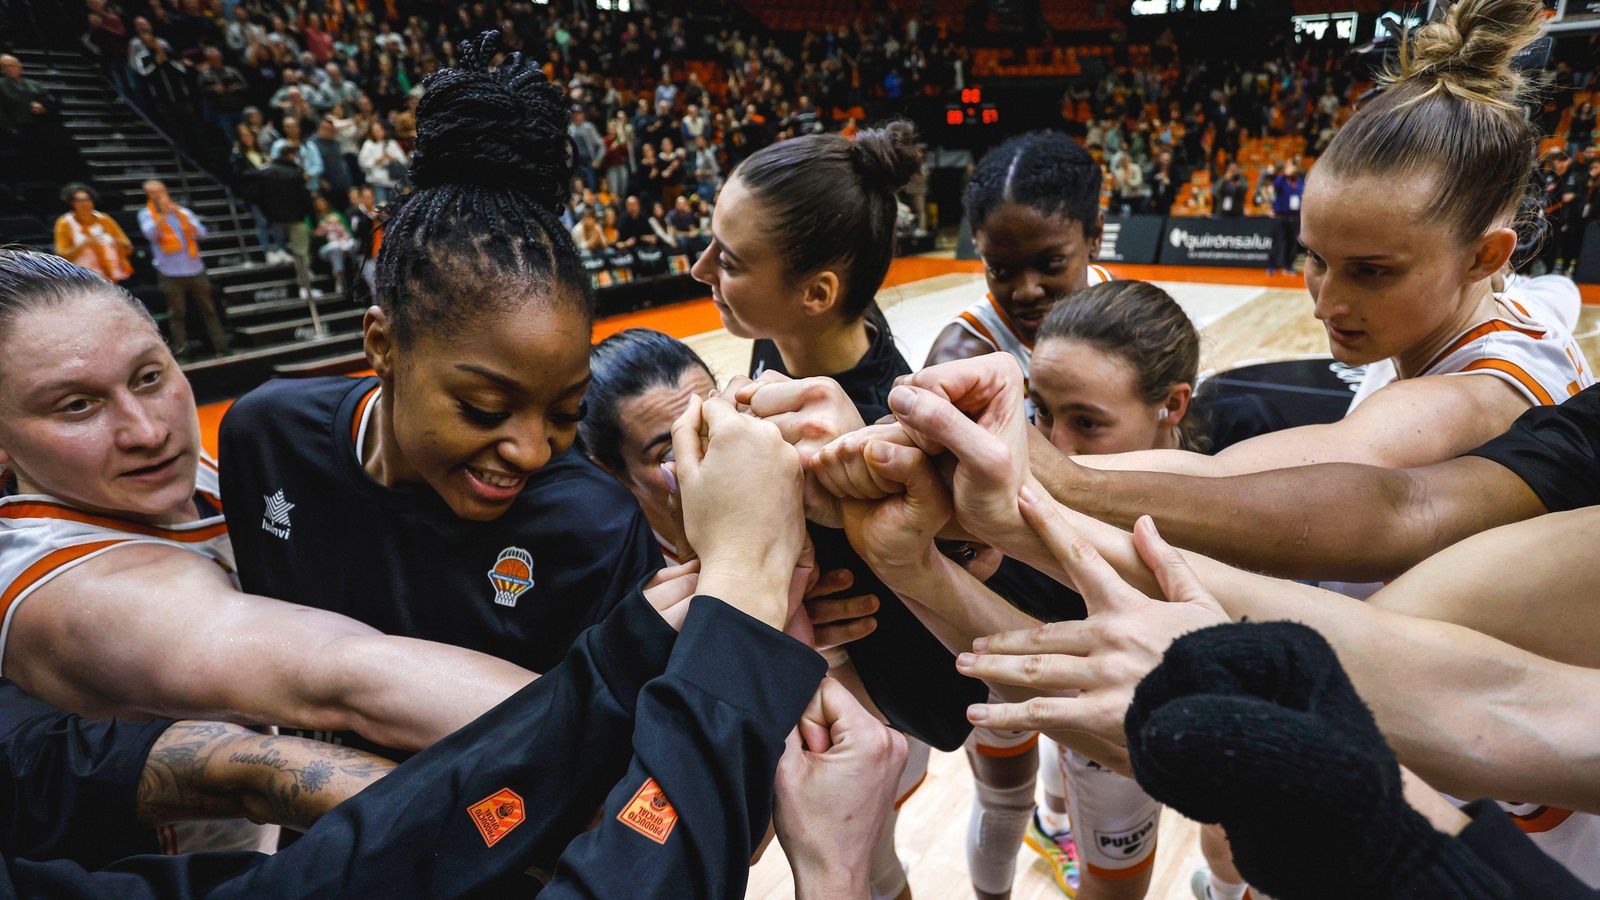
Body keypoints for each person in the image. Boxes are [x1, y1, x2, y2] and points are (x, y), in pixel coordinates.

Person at [217, 35, 665, 755]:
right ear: (383, 346)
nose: (528, 450)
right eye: (484, 409)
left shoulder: (597, 531)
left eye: (564, 413)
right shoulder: (263, 436)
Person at [694, 118, 981, 900]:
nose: (699, 268)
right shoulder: (786, 343)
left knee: (870, 869)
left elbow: (953, 699)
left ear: (817, 293)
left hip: (894, 708)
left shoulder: (896, 439)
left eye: (730, 260)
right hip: (820, 669)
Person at [923, 132, 1111, 376]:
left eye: (1051, 263)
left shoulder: (1107, 294)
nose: (1026, 292)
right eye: (1000, 270)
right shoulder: (958, 364)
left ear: (1094, 237)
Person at [137, 180, 229, 359]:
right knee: (177, 313)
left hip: (195, 268)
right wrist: (162, 214)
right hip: (169, 272)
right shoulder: (146, 214)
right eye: (153, 193)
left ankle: (222, 346)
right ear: (148, 195)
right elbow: (150, 235)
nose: (159, 195)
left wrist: (182, 217)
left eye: (161, 191)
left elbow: (202, 233)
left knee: (209, 310)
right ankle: (181, 350)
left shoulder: (183, 212)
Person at [53, 183, 133, 284]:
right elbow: (61, 256)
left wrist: (118, 245)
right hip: (83, 279)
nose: (84, 204)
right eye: (79, 201)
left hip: (111, 276)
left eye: (87, 199)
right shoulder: (64, 223)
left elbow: (128, 248)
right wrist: (83, 245)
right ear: (71, 203)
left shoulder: (104, 219)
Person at [256, 145, 315, 274]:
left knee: (284, 250)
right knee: (301, 252)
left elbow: (259, 198)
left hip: (274, 220)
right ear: (291, 155)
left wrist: (268, 216)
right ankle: (304, 285)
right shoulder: (295, 173)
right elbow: (305, 198)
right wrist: (312, 219)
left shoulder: (265, 172)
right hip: (295, 219)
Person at [312, 194, 357, 294]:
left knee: (354, 244)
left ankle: (357, 271)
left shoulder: (337, 214)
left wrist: (342, 232)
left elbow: (348, 232)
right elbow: (313, 236)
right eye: (317, 203)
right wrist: (321, 229)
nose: (320, 205)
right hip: (326, 247)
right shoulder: (314, 218)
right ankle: (339, 279)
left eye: (322, 201)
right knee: (336, 248)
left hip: (343, 243)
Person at [358, 120, 408, 203]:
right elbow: (362, 162)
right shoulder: (368, 144)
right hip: (377, 182)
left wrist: (391, 158)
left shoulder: (392, 143)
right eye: (375, 131)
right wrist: (377, 161)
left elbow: (403, 160)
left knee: (397, 207)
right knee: (382, 207)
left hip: (393, 182)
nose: (378, 133)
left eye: (380, 130)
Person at [1267, 160, 1303, 275]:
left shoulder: (1301, 182)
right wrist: (1284, 173)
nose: (1293, 170)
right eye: (1291, 168)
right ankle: (1271, 266)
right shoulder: (1282, 181)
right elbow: (1275, 185)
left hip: (1295, 218)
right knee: (1278, 241)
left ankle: (1288, 266)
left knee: (1292, 243)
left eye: (1295, 168)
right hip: (1281, 217)